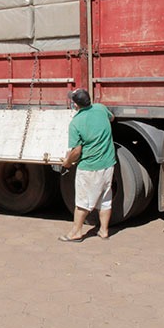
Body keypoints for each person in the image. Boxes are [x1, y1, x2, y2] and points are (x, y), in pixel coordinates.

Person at [59, 88, 116, 242]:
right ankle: (104, 231)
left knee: (83, 202)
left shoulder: (76, 123)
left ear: (75, 104)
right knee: (105, 199)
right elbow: (112, 118)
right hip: (109, 163)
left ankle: (76, 233)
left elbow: (76, 151)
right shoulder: (100, 108)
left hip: (90, 167)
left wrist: (67, 162)